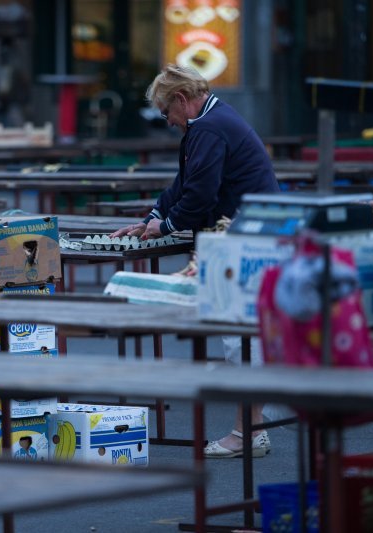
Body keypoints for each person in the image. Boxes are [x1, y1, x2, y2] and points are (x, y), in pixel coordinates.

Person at [111, 64, 280, 459]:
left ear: (182, 101)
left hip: (245, 238)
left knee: (239, 334)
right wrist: (153, 218)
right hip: (252, 232)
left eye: (166, 112)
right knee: (244, 333)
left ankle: (247, 433)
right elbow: (186, 184)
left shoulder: (207, 127)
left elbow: (199, 194)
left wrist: (165, 224)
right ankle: (252, 430)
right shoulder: (212, 119)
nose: (167, 121)